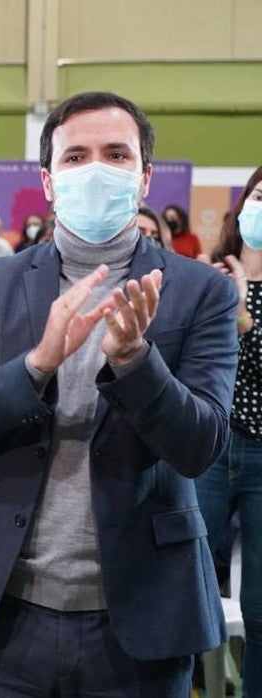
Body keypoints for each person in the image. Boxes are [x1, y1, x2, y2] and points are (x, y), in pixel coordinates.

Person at [0, 91, 237, 696]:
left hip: (143, 611)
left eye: (116, 154)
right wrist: (39, 362)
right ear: (48, 180)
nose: (96, 169)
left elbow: (200, 446)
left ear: (144, 176)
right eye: (76, 157)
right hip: (5, 607)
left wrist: (134, 360)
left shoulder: (202, 291)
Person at [196, 164, 262, 695]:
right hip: (211, 445)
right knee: (188, 578)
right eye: (259, 195)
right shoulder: (212, 274)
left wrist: (244, 321)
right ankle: (190, 682)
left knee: (261, 603)